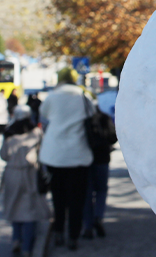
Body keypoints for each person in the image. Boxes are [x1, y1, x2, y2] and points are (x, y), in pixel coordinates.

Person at [39, 67, 94, 250]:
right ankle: (73, 236)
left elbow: (44, 114)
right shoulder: (84, 97)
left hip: (55, 156)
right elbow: (92, 116)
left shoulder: (52, 97)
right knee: (77, 200)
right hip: (79, 154)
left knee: (58, 198)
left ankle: (59, 233)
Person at [0, 105, 51, 257]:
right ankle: (27, 247)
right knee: (30, 210)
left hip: (13, 173)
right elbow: (43, 153)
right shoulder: (36, 132)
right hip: (31, 173)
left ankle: (16, 239)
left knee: (15, 206)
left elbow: (4, 155)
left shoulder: (8, 133)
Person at [82, 107, 117, 239]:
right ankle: (98, 217)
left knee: (87, 193)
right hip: (102, 158)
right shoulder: (104, 117)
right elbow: (113, 136)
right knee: (101, 190)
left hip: (86, 159)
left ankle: (88, 226)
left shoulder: (83, 119)